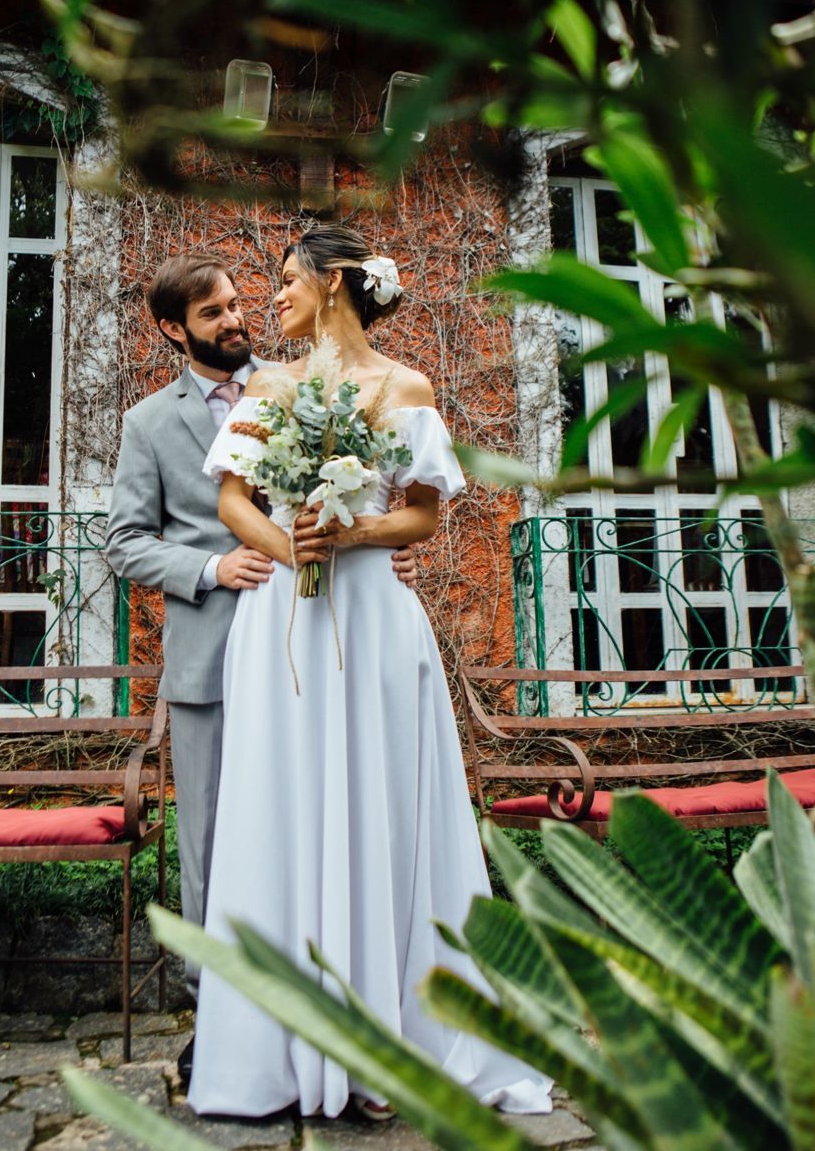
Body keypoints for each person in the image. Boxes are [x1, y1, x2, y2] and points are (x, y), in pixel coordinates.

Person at [187, 224, 552, 1120]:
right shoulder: (269, 385)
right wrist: (290, 543)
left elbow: (423, 516)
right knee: (281, 810)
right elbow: (233, 495)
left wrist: (347, 532)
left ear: (336, 282)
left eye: (284, 281)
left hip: (374, 621)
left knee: (379, 811)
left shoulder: (406, 387)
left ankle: (386, 1044)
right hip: (282, 623)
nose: (271, 299)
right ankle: (279, 1054)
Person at [105, 252, 418, 1082]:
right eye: (212, 314)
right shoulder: (149, 423)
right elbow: (124, 543)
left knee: (315, 825)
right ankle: (224, 1025)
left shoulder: (304, 379)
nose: (236, 319)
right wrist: (213, 570)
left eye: (238, 304)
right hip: (214, 656)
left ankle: (327, 1013)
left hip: (316, 645)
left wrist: (349, 537)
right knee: (217, 842)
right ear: (174, 329)